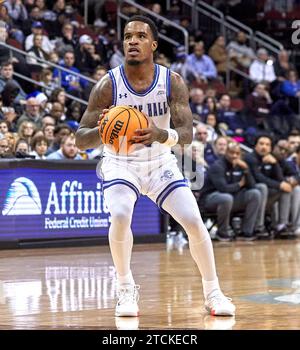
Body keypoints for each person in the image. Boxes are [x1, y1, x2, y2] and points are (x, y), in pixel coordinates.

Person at [75, 15, 235, 317]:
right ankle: (125, 288)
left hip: (159, 161)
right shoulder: (107, 85)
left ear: (154, 44)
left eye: (140, 36)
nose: (132, 41)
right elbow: (81, 140)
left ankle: (213, 291)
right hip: (120, 162)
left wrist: (162, 134)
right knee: (121, 214)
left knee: (192, 219)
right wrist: (107, 128)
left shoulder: (171, 81)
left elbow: (186, 136)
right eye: (127, 36)